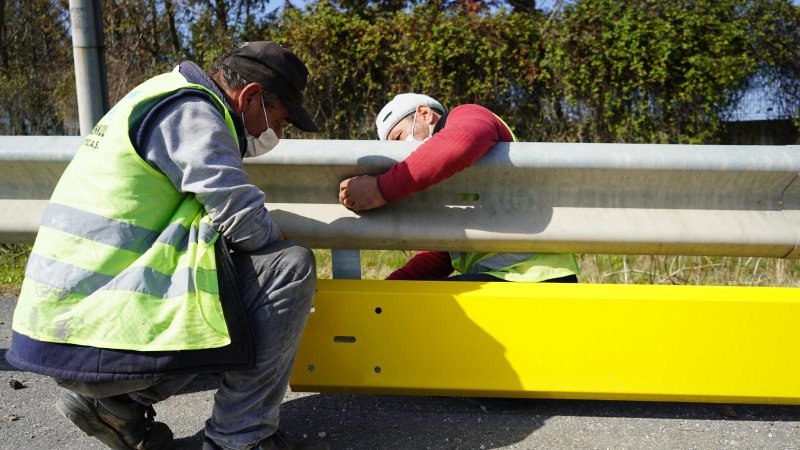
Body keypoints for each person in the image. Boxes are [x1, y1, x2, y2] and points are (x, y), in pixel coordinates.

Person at [6, 41, 327, 450]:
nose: (275, 134)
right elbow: (244, 222)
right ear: (250, 97)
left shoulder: (157, 93)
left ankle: (113, 406)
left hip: (60, 331)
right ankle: (240, 439)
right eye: (278, 122)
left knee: (211, 269)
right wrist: (275, 236)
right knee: (289, 267)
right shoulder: (193, 114)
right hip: (94, 334)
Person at [338, 93, 579, 282]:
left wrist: (381, 188)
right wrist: (386, 291)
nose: (400, 151)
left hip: (534, 276)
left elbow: (462, 141)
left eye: (399, 138)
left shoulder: (467, 114)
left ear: (424, 114)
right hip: (503, 278)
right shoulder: (439, 176)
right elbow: (442, 254)